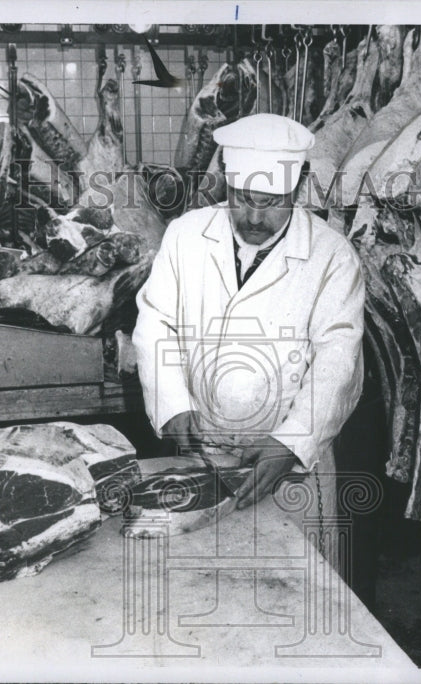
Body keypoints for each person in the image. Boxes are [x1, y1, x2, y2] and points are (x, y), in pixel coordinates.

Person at [131, 113, 365, 575]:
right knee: (202, 584)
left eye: (271, 202)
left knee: (293, 588)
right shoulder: (185, 236)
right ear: (226, 184)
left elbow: (339, 359)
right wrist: (172, 403)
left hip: (290, 463)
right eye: (241, 199)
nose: (254, 217)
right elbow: (156, 323)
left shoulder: (332, 255)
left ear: (297, 187)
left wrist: (292, 440)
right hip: (204, 453)